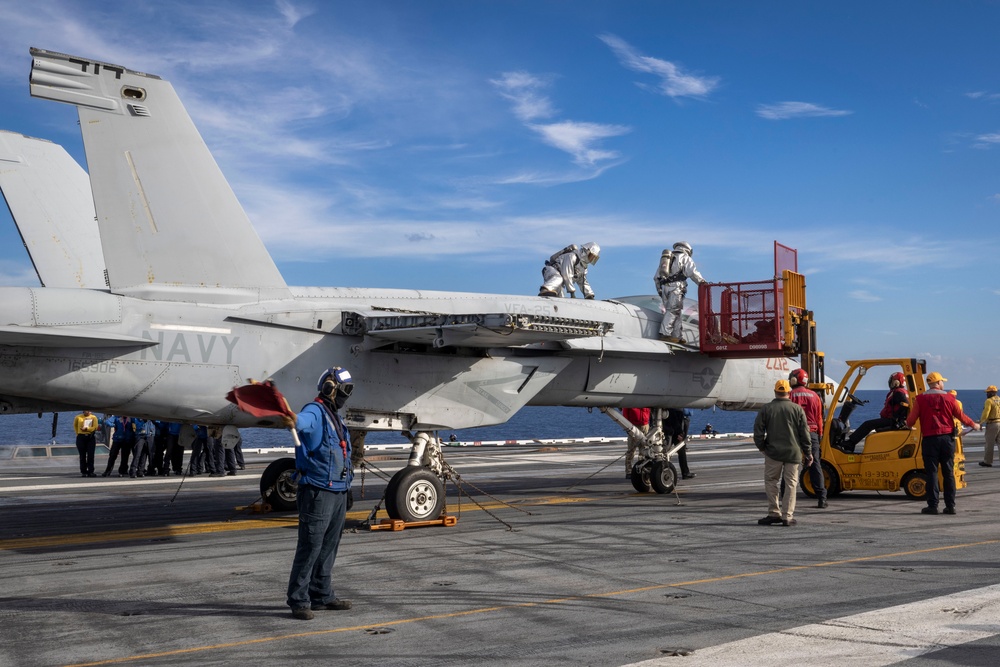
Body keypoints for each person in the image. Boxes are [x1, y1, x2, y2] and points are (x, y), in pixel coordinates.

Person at [286, 366, 355, 620]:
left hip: (337, 490)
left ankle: (322, 595)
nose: (346, 396)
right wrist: (292, 419)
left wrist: (347, 487)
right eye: (344, 390)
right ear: (329, 388)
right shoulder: (314, 411)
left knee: (329, 546)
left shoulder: (334, 415)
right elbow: (301, 423)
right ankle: (298, 599)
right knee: (310, 546)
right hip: (317, 491)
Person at [905, 371, 980, 515]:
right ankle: (950, 506)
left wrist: (908, 425)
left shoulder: (920, 399)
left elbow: (911, 420)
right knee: (948, 472)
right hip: (947, 439)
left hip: (930, 440)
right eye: (942, 381)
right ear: (938, 383)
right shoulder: (949, 398)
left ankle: (932, 506)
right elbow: (961, 416)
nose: (943, 383)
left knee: (931, 473)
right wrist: (974, 425)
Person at [753, 379, 812, 527]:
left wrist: (762, 447)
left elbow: (758, 431)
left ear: (775, 391)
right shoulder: (797, 409)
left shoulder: (766, 409)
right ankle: (787, 516)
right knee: (791, 484)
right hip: (793, 453)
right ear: (788, 392)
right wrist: (808, 452)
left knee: (771, 481)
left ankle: (774, 513)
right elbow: (804, 433)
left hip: (773, 452)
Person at [840, 372, 910, 453]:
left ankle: (850, 443)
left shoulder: (898, 393)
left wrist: (896, 417)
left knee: (867, 424)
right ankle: (850, 443)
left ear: (897, 382)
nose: (890, 382)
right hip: (894, 420)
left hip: (893, 421)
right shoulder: (902, 392)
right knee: (869, 424)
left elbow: (905, 405)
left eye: (893, 380)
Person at [654, 241, 706, 344]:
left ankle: (677, 336)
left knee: (676, 312)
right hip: (676, 288)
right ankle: (664, 334)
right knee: (673, 311)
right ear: (688, 250)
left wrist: (660, 290)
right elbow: (692, 272)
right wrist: (702, 282)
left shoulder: (666, 260)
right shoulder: (684, 257)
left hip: (664, 288)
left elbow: (656, 277)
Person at [788, 369, 826, 508]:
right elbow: (819, 418)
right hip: (812, 433)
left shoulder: (790, 395)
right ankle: (822, 497)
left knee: (789, 464)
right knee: (815, 464)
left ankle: (784, 496)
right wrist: (819, 434)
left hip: (794, 434)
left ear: (794, 380)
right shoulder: (815, 396)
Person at [662, 408, 696, 479]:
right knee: (681, 452)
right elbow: (675, 420)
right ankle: (685, 472)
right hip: (674, 432)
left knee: (665, 451)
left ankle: (662, 469)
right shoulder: (675, 407)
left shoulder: (667, 407)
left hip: (668, 431)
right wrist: (680, 433)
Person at [622, 407, 650, 478]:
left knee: (644, 449)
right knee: (631, 450)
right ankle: (629, 471)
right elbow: (625, 412)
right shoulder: (631, 401)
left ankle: (641, 469)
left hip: (645, 425)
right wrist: (627, 426)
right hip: (633, 426)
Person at [73, 410, 100, 478]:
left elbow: (95, 427)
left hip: (90, 437)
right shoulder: (78, 417)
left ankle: (91, 471)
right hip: (81, 437)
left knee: (90, 455)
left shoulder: (93, 417)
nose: (87, 412)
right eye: (85, 410)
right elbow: (75, 426)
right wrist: (78, 433)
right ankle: (83, 471)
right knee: (82, 455)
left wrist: (87, 429)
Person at [980, 385, 1000, 467]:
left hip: (992, 424)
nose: (987, 394)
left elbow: (986, 413)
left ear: (991, 393)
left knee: (989, 444)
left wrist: (981, 422)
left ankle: (987, 462)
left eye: (988, 392)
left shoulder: (989, 401)